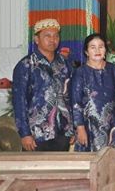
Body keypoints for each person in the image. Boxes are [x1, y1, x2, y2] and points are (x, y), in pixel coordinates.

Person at [12, 18, 74, 152]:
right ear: (36, 39)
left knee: (59, 171)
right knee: (35, 171)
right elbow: (19, 101)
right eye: (47, 36)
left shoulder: (65, 64)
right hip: (36, 134)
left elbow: (71, 97)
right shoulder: (26, 65)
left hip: (62, 132)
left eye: (56, 36)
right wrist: (25, 133)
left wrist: (72, 127)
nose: (53, 40)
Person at [70, 33, 115, 152]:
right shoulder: (80, 72)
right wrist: (79, 128)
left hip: (113, 124)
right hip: (88, 125)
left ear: (105, 50)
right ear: (86, 51)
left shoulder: (113, 70)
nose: (97, 50)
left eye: (101, 46)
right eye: (93, 47)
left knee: (113, 162)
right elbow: (76, 103)